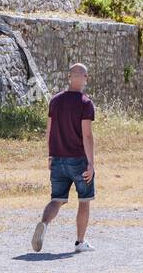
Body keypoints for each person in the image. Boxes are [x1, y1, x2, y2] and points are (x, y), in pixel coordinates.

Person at [32, 63, 97, 253]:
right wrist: (91, 163)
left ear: (69, 77)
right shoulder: (86, 103)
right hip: (78, 160)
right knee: (84, 199)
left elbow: (49, 130)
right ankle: (80, 242)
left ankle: (44, 223)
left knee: (57, 199)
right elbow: (86, 135)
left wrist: (50, 155)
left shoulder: (55, 100)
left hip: (58, 158)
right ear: (84, 77)